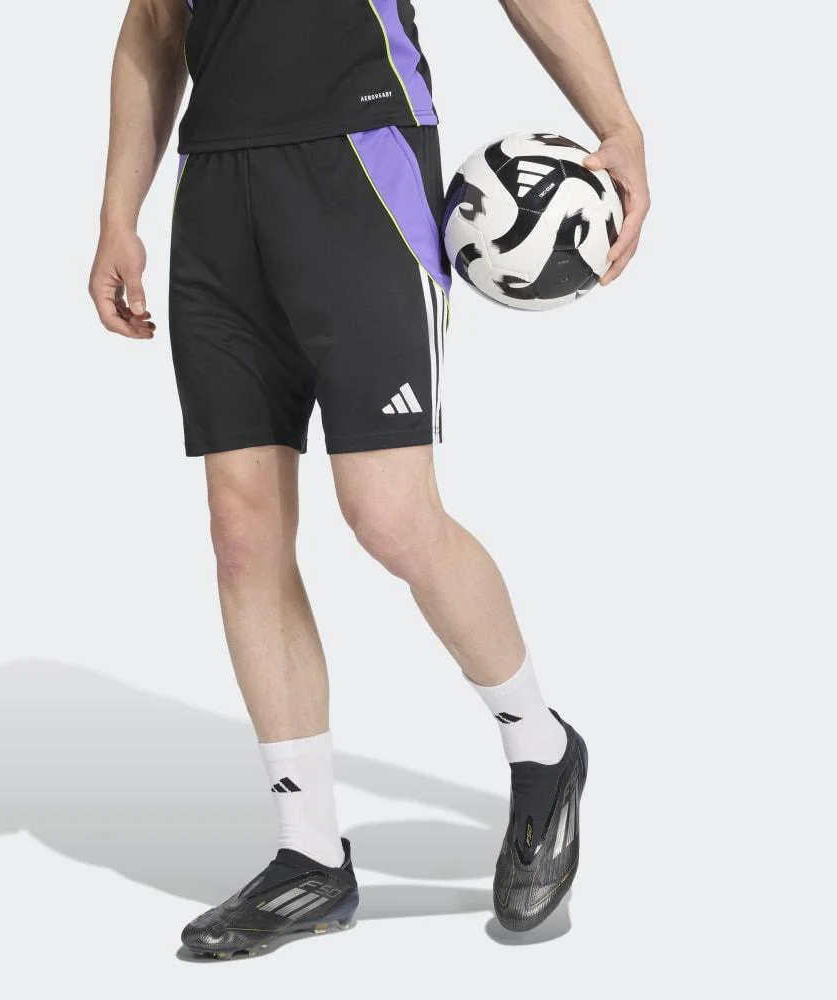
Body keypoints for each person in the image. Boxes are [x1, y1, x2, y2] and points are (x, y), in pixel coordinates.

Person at [90, 0, 649, 958]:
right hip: (217, 185)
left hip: (361, 166)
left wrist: (619, 125)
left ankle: (541, 747)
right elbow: (152, 24)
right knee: (242, 534)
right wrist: (118, 214)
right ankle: (309, 854)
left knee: (390, 515)